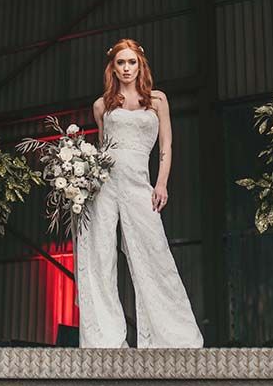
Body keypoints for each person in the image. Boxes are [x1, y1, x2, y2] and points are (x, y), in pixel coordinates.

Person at [76, 38, 204, 348]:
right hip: (104, 187)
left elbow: (166, 146)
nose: (126, 68)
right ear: (113, 68)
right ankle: (103, 338)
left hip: (140, 185)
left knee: (154, 254)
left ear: (140, 64)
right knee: (100, 255)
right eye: (121, 63)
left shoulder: (157, 101)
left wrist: (161, 183)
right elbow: (103, 150)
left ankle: (173, 335)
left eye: (131, 62)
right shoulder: (101, 105)